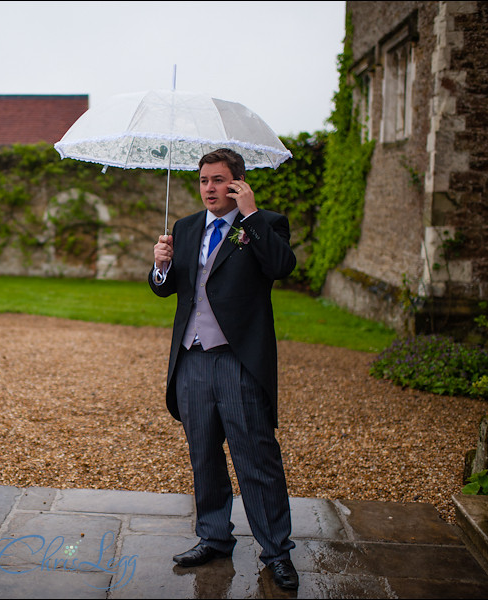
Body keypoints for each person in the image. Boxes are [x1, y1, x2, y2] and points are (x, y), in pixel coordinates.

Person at [149, 148, 299, 590]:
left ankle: (276, 552)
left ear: (238, 183)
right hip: (192, 359)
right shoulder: (187, 227)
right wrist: (159, 267)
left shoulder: (266, 225)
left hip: (238, 361)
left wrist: (250, 217)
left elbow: (281, 267)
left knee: (256, 458)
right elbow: (170, 288)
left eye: (218, 180)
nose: (210, 188)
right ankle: (213, 537)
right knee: (204, 457)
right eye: (203, 181)